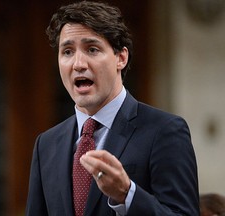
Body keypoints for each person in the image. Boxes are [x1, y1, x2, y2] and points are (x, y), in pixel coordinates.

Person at [25, 1, 199, 215]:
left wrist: (128, 194)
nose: (78, 63)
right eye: (67, 51)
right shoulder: (46, 144)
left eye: (92, 49)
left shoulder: (165, 131)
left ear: (121, 58)